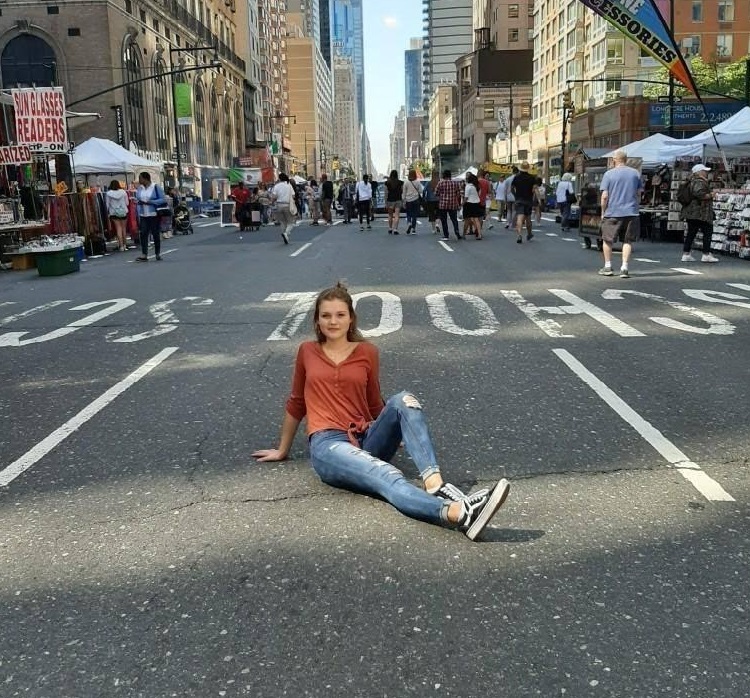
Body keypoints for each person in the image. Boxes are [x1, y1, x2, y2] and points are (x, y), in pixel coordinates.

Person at [251, 282, 511, 541]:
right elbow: (297, 401)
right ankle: (458, 513)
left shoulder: (367, 352)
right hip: (328, 444)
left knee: (404, 399)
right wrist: (282, 449)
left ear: (351, 318)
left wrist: (394, 432)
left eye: (340, 315)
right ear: (317, 321)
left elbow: (376, 402)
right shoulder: (307, 351)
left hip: (365, 437)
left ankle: (435, 484)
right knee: (386, 475)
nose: (333, 321)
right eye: (326, 315)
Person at [598, 149, 643, 278]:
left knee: (607, 240)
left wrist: (603, 211)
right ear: (626, 159)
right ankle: (624, 267)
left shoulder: (609, 174)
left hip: (612, 212)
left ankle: (608, 266)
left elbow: (605, 196)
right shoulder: (635, 173)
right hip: (631, 212)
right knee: (627, 241)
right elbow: (639, 193)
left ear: (614, 160)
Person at [679, 163, 719, 264]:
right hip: (701, 212)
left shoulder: (691, 181)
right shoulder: (699, 182)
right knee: (708, 232)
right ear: (699, 172)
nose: (706, 173)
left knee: (691, 233)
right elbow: (699, 193)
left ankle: (686, 254)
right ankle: (706, 254)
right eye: (705, 171)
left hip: (692, 212)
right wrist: (711, 195)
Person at [134, 171, 164, 262]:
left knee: (155, 234)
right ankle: (144, 254)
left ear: (145, 179)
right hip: (143, 214)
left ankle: (157, 253)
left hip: (154, 214)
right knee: (143, 234)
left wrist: (151, 202)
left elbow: (162, 199)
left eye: (140, 178)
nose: (139, 180)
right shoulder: (140, 188)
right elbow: (138, 198)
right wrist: (138, 202)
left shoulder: (155, 187)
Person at [511, 161, 535, 244]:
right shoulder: (532, 178)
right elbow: (534, 189)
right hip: (528, 200)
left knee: (519, 218)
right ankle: (529, 234)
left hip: (519, 200)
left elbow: (512, 188)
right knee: (528, 218)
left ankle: (519, 235)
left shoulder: (516, 177)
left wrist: (515, 196)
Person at [435, 169, 462, 241]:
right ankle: (457, 232)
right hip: (453, 204)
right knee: (454, 220)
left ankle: (446, 235)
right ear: (450, 175)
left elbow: (436, 193)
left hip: (443, 204)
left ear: (444, 175)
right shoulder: (455, 183)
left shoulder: (440, 183)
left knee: (444, 220)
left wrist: (442, 196)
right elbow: (459, 193)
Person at [272, 172, 296, 245]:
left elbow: (274, 196)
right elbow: (293, 195)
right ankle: (286, 233)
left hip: (279, 205)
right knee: (291, 222)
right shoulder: (289, 186)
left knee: (282, 222)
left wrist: (272, 202)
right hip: (287, 205)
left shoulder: (277, 186)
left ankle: (285, 235)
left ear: (279, 178)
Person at [105, 180, 130, 252]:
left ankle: (121, 246)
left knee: (118, 228)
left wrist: (108, 212)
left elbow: (107, 204)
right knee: (124, 228)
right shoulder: (123, 192)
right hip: (123, 212)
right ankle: (125, 245)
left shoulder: (108, 193)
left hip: (114, 213)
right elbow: (127, 203)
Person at [462, 173, 483, 239]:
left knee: (467, 220)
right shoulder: (476, 186)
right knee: (476, 219)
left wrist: (462, 204)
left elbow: (466, 198)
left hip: (469, 204)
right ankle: (479, 234)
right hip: (477, 203)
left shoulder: (468, 186)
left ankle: (464, 234)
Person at [402, 169, 423, 235]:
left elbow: (404, 193)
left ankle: (409, 223)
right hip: (416, 200)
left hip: (408, 200)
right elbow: (421, 191)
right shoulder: (417, 182)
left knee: (408, 213)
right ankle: (413, 229)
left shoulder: (406, 182)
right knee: (414, 215)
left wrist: (403, 201)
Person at [384, 170, 403, 235]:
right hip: (398, 200)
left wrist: (385, 202)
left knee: (390, 215)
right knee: (397, 215)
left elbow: (386, 193)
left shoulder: (387, 183)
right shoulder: (400, 182)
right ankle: (395, 229)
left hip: (390, 201)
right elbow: (402, 192)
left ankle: (390, 228)